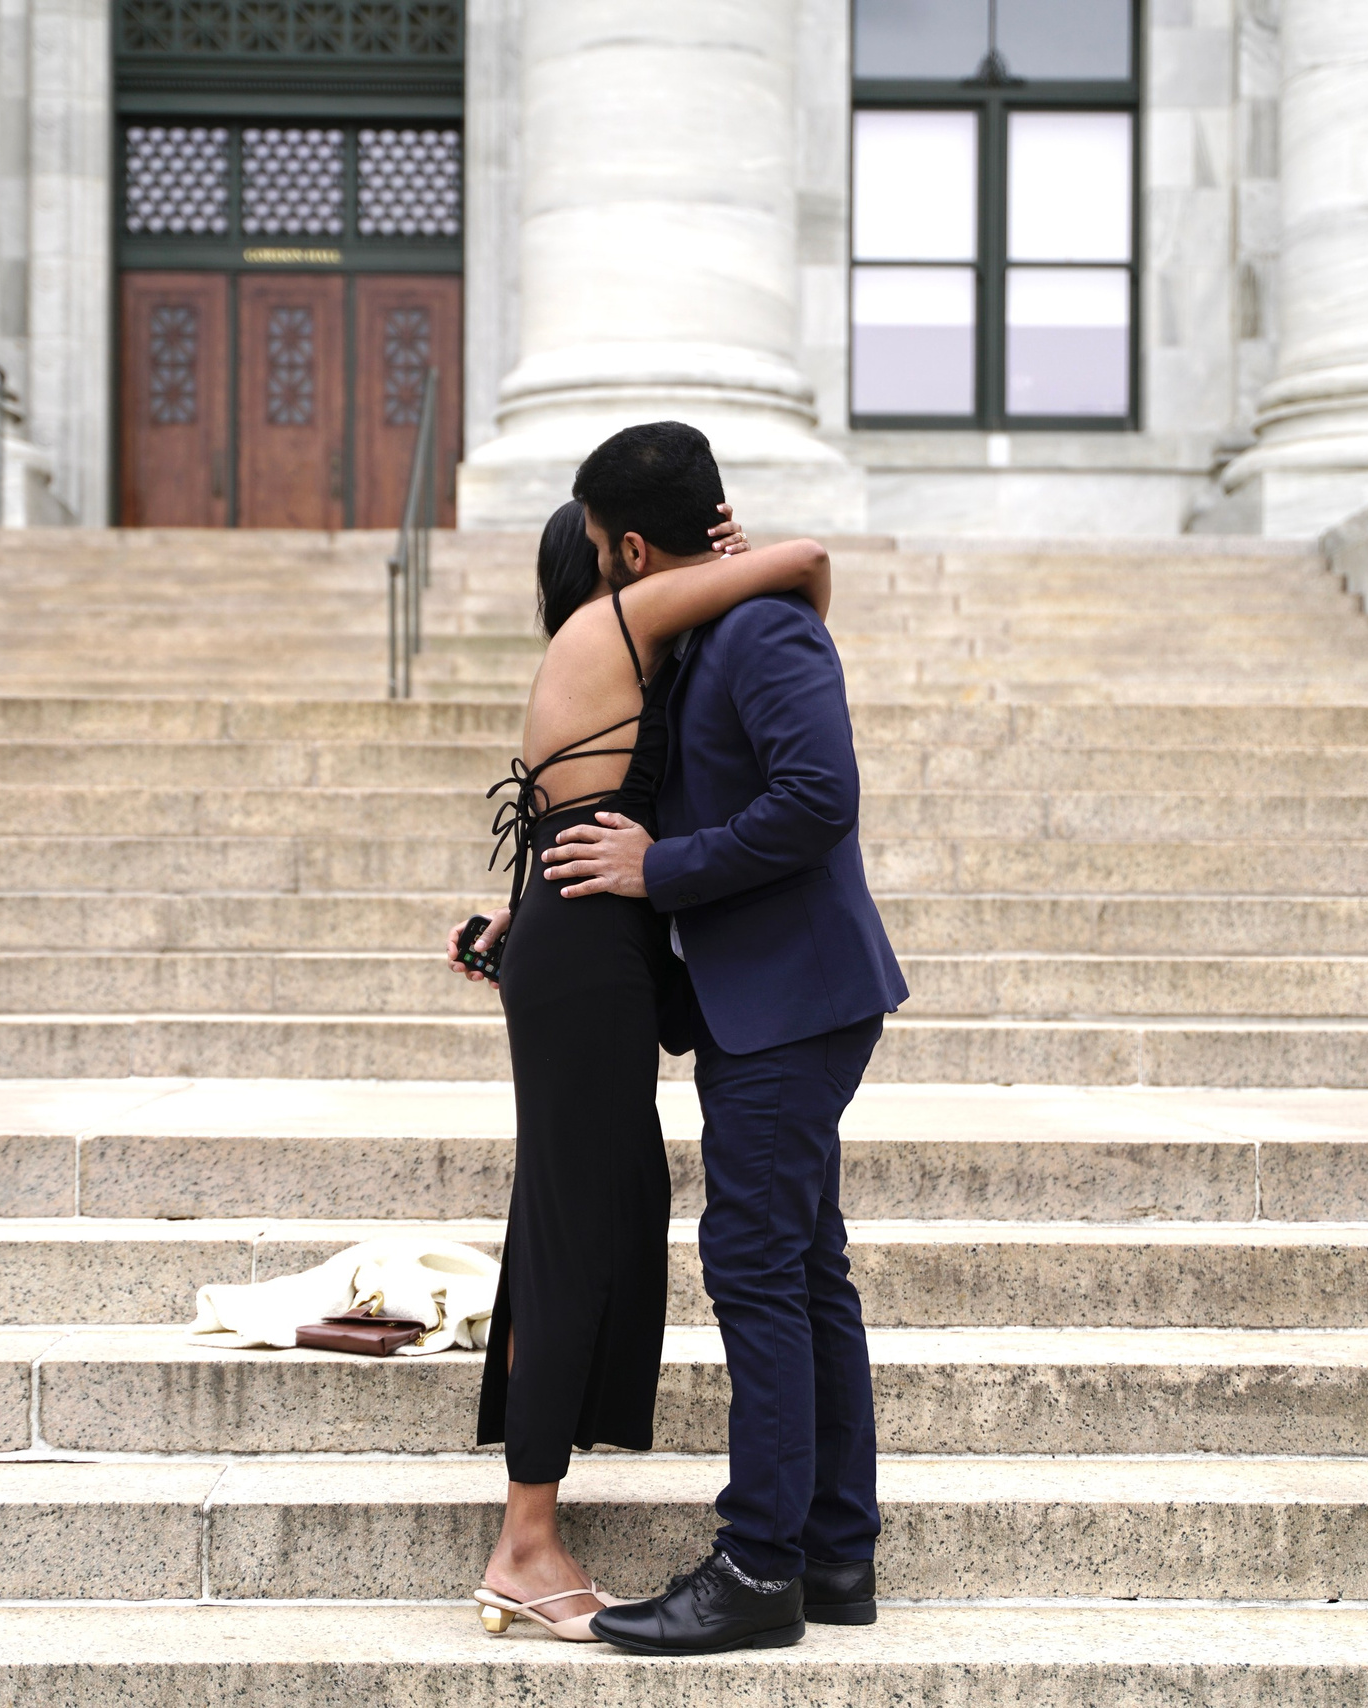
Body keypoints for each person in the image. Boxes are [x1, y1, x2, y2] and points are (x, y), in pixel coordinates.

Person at [537, 422, 908, 1658]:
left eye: (600, 550)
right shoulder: (716, 625)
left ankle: (758, 1565)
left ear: (631, 545)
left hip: (795, 998)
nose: (598, 569)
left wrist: (660, 868)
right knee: (802, 1266)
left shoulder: (764, 631)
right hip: (768, 999)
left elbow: (818, 798)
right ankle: (834, 1552)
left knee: (755, 1263)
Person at [447, 489, 834, 1642]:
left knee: (591, 1217)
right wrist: (737, 557)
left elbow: (582, 821)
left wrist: (517, 924)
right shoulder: (609, 630)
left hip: (598, 955)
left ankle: (531, 1524)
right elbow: (806, 563)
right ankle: (524, 1543)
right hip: (589, 964)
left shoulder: (620, 665)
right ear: (619, 560)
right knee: (578, 1228)